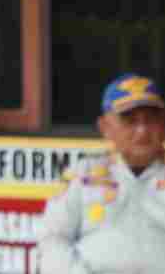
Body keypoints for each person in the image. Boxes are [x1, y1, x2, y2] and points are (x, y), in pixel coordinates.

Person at [38, 73, 165, 274]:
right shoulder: (82, 176)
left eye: (151, 120)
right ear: (105, 127)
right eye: (130, 121)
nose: (142, 130)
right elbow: (53, 240)